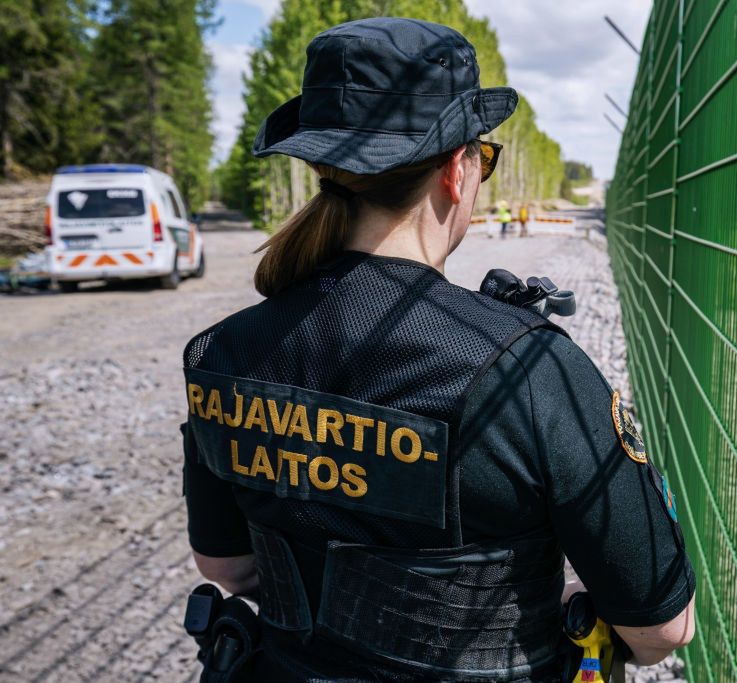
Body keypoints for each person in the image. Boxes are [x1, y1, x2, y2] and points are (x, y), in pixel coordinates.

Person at [180, 17, 696, 683]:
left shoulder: (224, 352)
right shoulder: (530, 369)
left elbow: (226, 566)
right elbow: (660, 629)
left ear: (319, 165)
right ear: (457, 171)